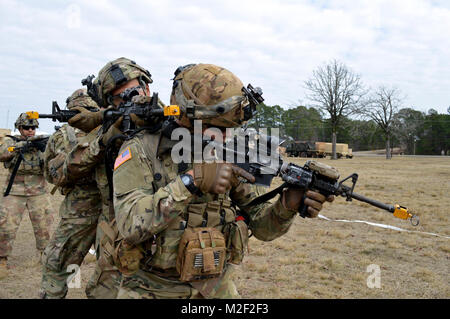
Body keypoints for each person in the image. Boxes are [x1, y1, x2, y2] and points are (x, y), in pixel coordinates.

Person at [111, 63, 334, 299]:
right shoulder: (140, 149)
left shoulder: (230, 151)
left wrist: (286, 207)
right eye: (217, 128)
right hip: (150, 287)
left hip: (215, 288)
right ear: (186, 117)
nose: (226, 137)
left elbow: (261, 227)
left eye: (232, 129)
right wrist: (191, 182)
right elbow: (129, 224)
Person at [62, 57, 155, 298]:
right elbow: (70, 167)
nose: (131, 99)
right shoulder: (106, 128)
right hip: (115, 233)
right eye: (120, 96)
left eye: (135, 90)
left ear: (147, 87)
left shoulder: (171, 120)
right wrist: (105, 138)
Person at [39, 89, 102, 298]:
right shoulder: (113, 129)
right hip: (115, 207)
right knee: (114, 269)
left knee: (57, 264)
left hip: (78, 210)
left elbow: (49, 174)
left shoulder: (61, 136)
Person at [0, 114, 54, 279]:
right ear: (19, 128)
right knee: (6, 226)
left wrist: (45, 148)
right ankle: (2, 259)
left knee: (44, 226)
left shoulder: (42, 142)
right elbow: (3, 152)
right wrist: (22, 146)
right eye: (26, 128)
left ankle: (45, 257)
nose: (30, 131)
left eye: (33, 128)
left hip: (38, 190)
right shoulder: (11, 141)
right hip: (15, 190)